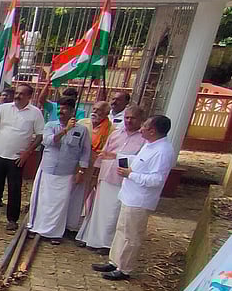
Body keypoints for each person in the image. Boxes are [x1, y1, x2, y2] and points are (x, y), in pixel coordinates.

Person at [93, 115, 176, 281]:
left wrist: (131, 174)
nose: (141, 129)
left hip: (140, 199)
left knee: (131, 235)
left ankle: (124, 268)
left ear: (152, 131)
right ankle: (115, 261)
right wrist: (115, 156)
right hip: (129, 195)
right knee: (121, 231)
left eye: (144, 126)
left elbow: (157, 180)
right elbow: (138, 161)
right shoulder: (150, 145)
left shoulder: (163, 152)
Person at [77, 105, 146, 254]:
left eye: (133, 118)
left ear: (141, 120)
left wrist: (118, 158)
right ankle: (92, 239)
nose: (129, 121)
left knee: (113, 213)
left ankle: (106, 244)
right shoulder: (116, 133)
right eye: (127, 117)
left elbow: (141, 161)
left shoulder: (143, 139)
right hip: (105, 175)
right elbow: (104, 153)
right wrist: (95, 173)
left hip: (123, 180)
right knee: (98, 210)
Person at [27, 98, 91, 244]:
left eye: (64, 109)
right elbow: (48, 141)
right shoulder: (51, 125)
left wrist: (81, 172)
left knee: (60, 203)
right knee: (42, 200)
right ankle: (35, 227)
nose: (60, 112)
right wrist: (65, 131)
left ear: (72, 112)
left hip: (66, 172)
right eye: (59, 109)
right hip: (48, 170)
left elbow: (85, 152)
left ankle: (54, 233)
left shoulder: (82, 130)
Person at [0, 84, 45, 232]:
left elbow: (40, 135)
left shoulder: (35, 113)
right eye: (17, 93)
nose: (18, 96)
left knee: (14, 189)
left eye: (22, 94)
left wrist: (27, 153)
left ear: (29, 97)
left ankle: (12, 219)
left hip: (17, 158)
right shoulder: (4, 108)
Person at [67, 101, 115, 233]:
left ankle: (73, 225)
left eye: (99, 110)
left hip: (93, 166)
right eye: (94, 109)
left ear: (106, 113)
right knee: (67, 192)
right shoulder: (82, 122)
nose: (94, 112)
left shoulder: (111, 130)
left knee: (81, 195)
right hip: (75, 163)